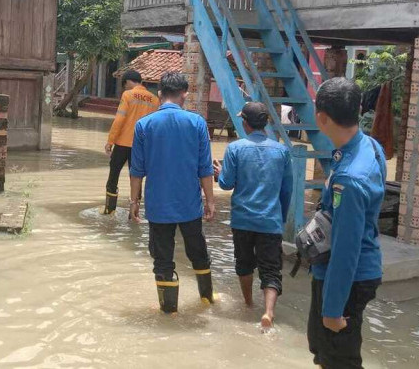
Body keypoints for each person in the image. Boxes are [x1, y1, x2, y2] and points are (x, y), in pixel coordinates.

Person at [308, 77, 386, 369]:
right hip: (351, 269)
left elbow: (346, 248)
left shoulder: (350, 179)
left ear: (322, 117)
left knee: (338, 358)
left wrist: (332, 308)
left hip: (346, 277)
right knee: (324, 350)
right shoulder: (367, 145)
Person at [129, 72, 216, 313]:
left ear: (159, 94)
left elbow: (137, 170)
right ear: (184, 95)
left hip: (158, 206)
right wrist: (210, 200)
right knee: (198, 252)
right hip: (189, 205)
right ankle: (207, 299)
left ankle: (169, 312)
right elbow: (205, 169)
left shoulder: (144, 125)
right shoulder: (197, 123)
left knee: (163, 260)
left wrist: (134, 201)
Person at [213, 102, 293, 330]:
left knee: (244, 263)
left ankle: (248, 303)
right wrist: (280, 217)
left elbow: (227, 184)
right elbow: (286, 190)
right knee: (271, 269)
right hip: (270, 221)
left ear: (245, 124)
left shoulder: (235, 148)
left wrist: (219, 174)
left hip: (243, 220)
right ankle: (268, 312)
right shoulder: (282, 151)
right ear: (266, 123)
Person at [103, 70, 158, 215]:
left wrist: (110, 141)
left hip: (122, 143)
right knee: (137, 177)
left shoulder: (128, 95)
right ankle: (134, 213)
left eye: (124, 85)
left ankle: (109, 210)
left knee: (114, 174)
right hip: (141, 146)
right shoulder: (154, 99)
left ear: (127, 81)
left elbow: (119, 120)